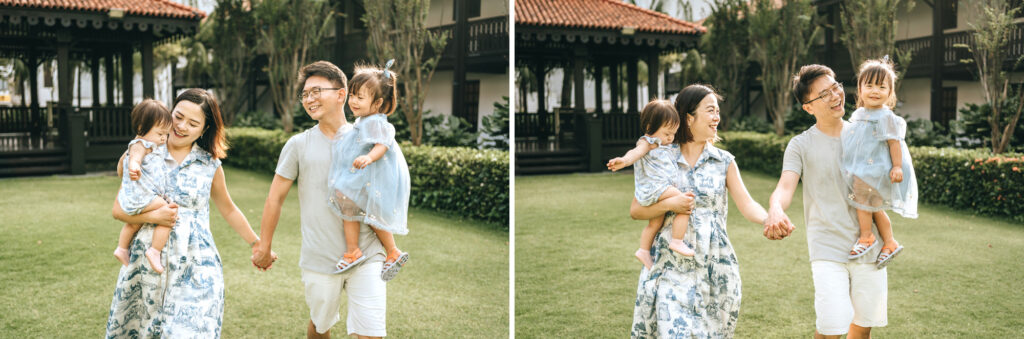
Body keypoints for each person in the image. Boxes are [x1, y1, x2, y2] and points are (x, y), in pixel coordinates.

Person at [106, 89, 266, 338]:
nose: (181, 126)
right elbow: (119, 209)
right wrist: (154, 217)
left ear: (204, 130)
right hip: (144, 268)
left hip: (196, 267)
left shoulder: (210, 165)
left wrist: (256, 243)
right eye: (178, 117)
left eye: (193, 123)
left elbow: (229, 208)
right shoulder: (142, 155)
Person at [252, 61, 388, 339]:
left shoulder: (369, 139)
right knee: (320, 326)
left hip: (368, 254)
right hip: (320, 257)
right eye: (305, 94)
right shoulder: (298, 145)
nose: (309, 99)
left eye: (316, 91)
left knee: (371, 332)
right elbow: (275, 198)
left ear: (341, 94)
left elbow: (388, 186)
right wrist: (264, 246)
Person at [630, 84, 771, 338]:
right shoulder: (661, 157)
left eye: (718, 111)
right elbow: (637, 210)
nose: (717, 117)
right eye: (710, 110)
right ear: (688, 117)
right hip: (670, 265)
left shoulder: (724, 161)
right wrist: (671, 205)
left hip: (714, 266)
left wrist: (769, 219)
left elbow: (747, 204)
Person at [763, 64, 889, 339]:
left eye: (836, 87)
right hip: (827, 248)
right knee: (832, 327)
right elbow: (785, 186)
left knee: (862, 326)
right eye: (824, 94)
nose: (835, 96)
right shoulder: (800, 145)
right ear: (808, 107)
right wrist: (775, 209)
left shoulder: (866, 135)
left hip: (869, 246)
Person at [328, 60, 410, 281]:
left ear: (378, 103)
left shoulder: (376, 122)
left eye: (360, 97)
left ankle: (367, 251)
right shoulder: (365, 119)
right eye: (352, 95)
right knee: (352, 205)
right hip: (367, 174)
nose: (353, 101)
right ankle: (379, 251)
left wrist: (368, 157)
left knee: (360, 207)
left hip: (375, 173)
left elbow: (382, 145)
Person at [842, 57, 917, 268]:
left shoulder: (886, 117)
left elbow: (895, 144)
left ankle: (867, 236)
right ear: (860, 89)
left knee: (861, 199)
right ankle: (890, 242)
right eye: (870, 85)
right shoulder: (859, 114)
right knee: (874, 206)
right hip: (863, 166)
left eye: (882, 87)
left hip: (876, 167)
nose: (875, 91)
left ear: (890, 93)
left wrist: (896, 166)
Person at [606, 99, 697, 269]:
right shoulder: (648, 142)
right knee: (686, 202)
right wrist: (624, 161)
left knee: (655, 223)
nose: (670, 138)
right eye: (667, 133)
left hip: (655, 191)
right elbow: (636, 152)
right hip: (656, 188)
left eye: (673, 134)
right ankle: (677, 241)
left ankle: (643, 250)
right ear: (649, 128)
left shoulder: (665, 144)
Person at [112, 99, 174, 272]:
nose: (163, 138)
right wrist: (134, 166)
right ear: (141, 129)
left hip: (136, 198)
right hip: (141, 197)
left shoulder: (155, 145)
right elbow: (135, 156)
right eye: (160, 133)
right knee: (168, 213)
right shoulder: (141, 144)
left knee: (133, 224)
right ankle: (155, 251)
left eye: (166, 134)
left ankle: (122, 248)